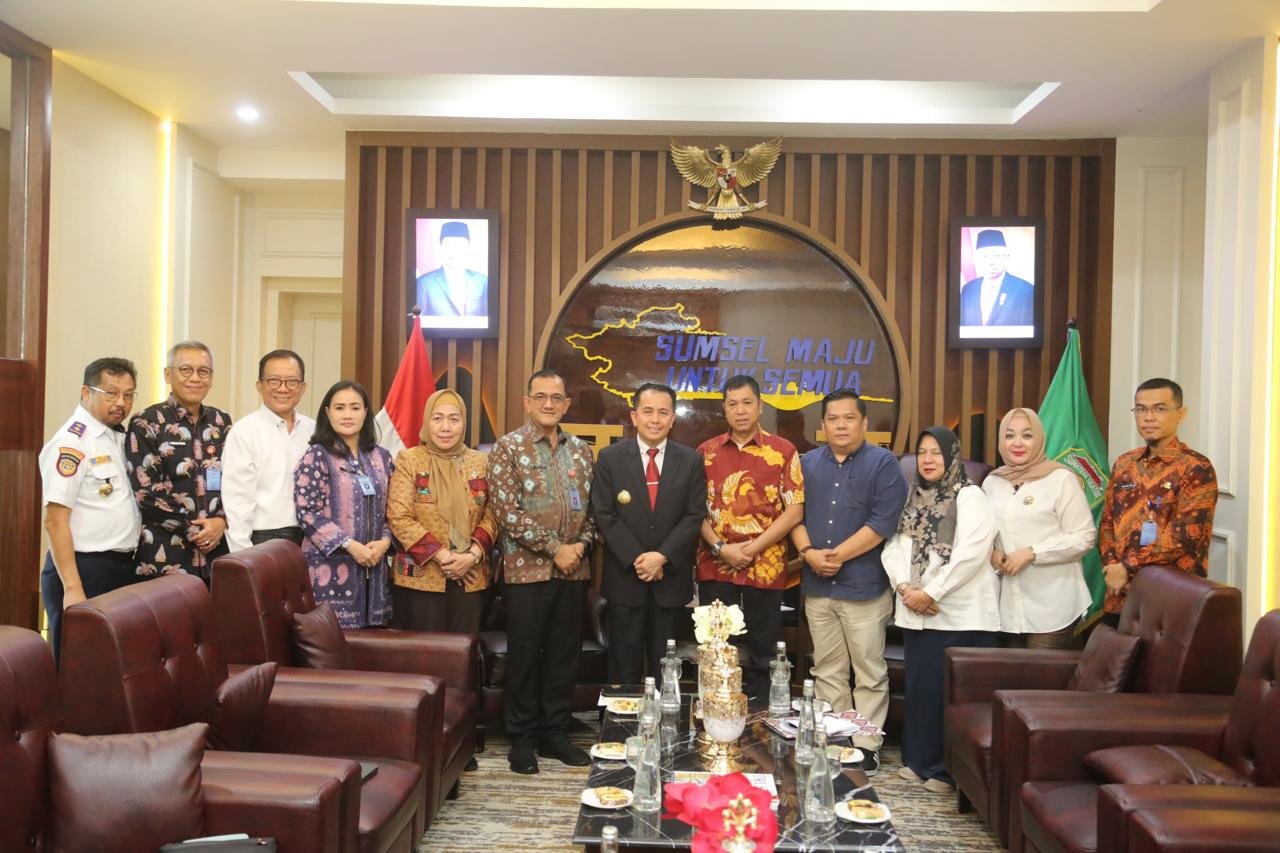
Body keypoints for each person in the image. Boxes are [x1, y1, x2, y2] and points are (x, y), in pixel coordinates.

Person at [790, 390, 906, 775]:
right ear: (822, 425)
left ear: (864, 422)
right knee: (827, 670)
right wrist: (809, 553)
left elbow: (882, 524)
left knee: (868, 671)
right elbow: (793, 515)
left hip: (864, 588)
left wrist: (835, 556)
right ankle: (838, 739)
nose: (841, 425)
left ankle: (866, 745)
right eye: (833, 419)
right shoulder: (806, 464)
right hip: (818, 587)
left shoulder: (884, 464)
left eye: (849, 418)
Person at [487, 369, 597, 774]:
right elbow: (506, 513)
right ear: (527, 402)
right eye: (540, 397)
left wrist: (580, 546)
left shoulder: (581, 452)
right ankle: (522, 738)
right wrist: (555, 549)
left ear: (566, 404)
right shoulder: (508, 448)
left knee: (564, 657)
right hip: (526, 573)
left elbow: (593, 511)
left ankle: (555, 734)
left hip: (573, 572)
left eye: (556, 397)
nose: (548, 404)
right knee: (526, 656)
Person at [882, 427, 998, 794]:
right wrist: (905, 587)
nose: (928, 460)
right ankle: (918, 761)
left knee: (954, 696)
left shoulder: (970, 496)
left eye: (936, 452)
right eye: (922, 452)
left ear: (952, 457)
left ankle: (947, 771)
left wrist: (930, 592)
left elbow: (971, 554)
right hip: (916, 611)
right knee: (922, 690)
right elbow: (894, 547)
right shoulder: (912, 496)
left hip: (960, 614)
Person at [697, 374, 804, 702]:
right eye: (733, 404)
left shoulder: (783, 451)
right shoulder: (706, 452)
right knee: (717, 650)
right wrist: (721, 548)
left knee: (764, 652)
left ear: (760, 407)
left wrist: (752, 548)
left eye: (747, 403)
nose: (740, 410)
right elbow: (692, 511)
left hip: (766, 568)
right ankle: (717, 718)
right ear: (724, 410)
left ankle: (760, 722)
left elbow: (794, 510)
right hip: (716, 566)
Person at [592, 382, 707, 684]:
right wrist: (639, 559)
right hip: (625, 581)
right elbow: (604, 514)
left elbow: (694, 515)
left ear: (673, 419)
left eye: (663, 412)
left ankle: (664, 717)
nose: (655, 419)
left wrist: (662, 556)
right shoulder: (610, 458)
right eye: (648, 411)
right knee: (623, 670)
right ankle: (621, 716)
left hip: (670, 583)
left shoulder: (691, 460)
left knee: (666, 670)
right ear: (634, 416)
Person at [39, 357, 143, 660]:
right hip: (83, 569)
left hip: (119, 567)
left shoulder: (117, 438)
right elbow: (55, 521)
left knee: (112, 666)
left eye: (128, 394)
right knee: (80, 664)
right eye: (111, 393)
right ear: (86, 392)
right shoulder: (72, 443)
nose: (121, 402)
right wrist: (73, 587)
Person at [1098, 378, 1217, 628]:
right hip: (1119, 595)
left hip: (1170, 598)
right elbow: (1107, 521)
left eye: (1159, 409)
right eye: (1141, 409)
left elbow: (1184, 535)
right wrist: (1112, 567)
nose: (1148, 417)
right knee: (1112, 653)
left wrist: (1127, 568)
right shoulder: (1124, 463)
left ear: (1181, 414)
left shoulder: (1196, 467)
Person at [386, 388, 496, 633]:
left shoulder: (481, 462)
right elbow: (399, 517)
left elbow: (493, 514)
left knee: (463, 650)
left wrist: (470, 557)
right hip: (419, 579)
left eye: (454, 419)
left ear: (464, 423)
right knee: (422, 652)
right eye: (437, 418)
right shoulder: (409, 460)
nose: (446, 427)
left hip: (470, 577)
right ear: (427, 421)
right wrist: (446, 558)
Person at [984, 407, 1095, 647]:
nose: (1017, 443)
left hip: (1053, 606)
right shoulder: (992, 482)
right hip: (1006, 607)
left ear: (1039, 439)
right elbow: (985, 532)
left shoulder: (1061, 479)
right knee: (1008, 670)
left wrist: (1033, 552)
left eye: (1027, 435)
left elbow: (1084, 537)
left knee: (1041, 671)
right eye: (1010, 435)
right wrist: (991, 552)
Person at [125, 341, 232, 583]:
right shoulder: (146, 423)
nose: (195, 378)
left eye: (203, 371)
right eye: (185, 370)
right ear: (167, 375)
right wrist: (195, 530)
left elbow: (236, 481)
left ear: (211, 378)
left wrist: (221, 520)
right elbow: (146, 492)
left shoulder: (221, 422)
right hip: (164, 559)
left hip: (218, 556)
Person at [293, 381, 395, 628]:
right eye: (340, 408)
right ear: (328, 413)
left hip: (376, 572)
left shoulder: (382, 457)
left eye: (355, 408)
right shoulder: (317, 455)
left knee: (374, 647)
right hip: (329, 572)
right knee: (331, 645)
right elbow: (307, 512)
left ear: (366, 412)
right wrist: (350, 546)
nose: (348, 415)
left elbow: (394, 511)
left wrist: (384, 542)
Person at [221, 350, 315, 551]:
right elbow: (237, 502)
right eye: (274, 380)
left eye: (292, 381)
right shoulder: (244, 432)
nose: (283, 388)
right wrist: (244, 556)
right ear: (259, 385)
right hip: (263, 540)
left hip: (312, 539)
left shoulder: (313, 430)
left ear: (303, 387)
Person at [959, 228, 1034, 327]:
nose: (991, 262)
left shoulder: (1025, 290)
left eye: (996, 256)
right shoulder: (968, 289)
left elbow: (1028, 331)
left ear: (1006, 257)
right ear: (975, 259)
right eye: (985, 256)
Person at [416, 221, 489, 319]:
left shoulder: (482, 282)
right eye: (449, 245)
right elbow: (417, 322)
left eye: (460, 245)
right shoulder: (424, 283)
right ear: (440, 247)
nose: (454, 251)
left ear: (468, 247)